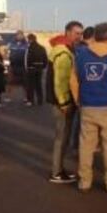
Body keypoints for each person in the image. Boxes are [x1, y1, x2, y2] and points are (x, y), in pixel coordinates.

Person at [70, 22, 107, 193]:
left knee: (86, 146)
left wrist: (78, 100)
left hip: (88, 105)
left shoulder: (81, 55)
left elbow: (73, 81)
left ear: (95, 35)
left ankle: (84, 181)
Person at [47, 21, 82, 183]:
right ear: (67, 32)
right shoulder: (64, 52)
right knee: (62, 137)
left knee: (63, 137)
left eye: (81, 33)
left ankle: (59, 169)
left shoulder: (63, 49)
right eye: (76, 33)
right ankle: (57, 172)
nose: (79, 36)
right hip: (63, 102)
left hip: (61, 100)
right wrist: (64, 103)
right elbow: (60, 81)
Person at [24, 33, 47, 106]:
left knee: (30, 85)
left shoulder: (29, 48)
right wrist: (43, 66)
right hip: (39, 68)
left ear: (30, 40)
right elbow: (45, 58)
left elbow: (26, 59)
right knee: (38, 85)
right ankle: (40, 100)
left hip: (31, 68)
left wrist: (27, 68)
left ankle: (31, 100)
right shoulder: (42, 48)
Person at [6, 30, 28, 103]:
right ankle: (8, 97)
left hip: (23, 65)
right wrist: (7, 58)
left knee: (25, 82)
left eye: (20, 35)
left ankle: (26, 97)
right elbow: (6, 52)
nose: (19, 36)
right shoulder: (11, 43)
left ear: (23, 36)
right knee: (10, 81)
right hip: (13, 65)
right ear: (15, 36)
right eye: (18, 35)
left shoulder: (26, 44)